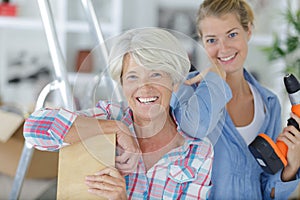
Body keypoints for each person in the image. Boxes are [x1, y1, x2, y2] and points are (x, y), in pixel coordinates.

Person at [24, 28, 217, 199]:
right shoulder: (110, 116)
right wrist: (116, 128)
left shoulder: (198, 151)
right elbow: (33, 130)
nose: (144, 87)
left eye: (155, 74)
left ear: (174, 83)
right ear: (123, 84)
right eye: (133, 77)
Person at [172, 0, 300, 199]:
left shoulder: (269, 103)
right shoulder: (186, 91)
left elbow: (269, 190)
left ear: (248, 31)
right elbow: (194, 129)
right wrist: (214, 78)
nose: (223, 49)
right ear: (202, 40)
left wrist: (290, 168)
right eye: (212, 40)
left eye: (232, 35)